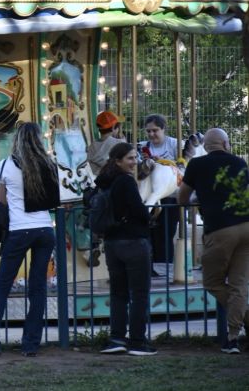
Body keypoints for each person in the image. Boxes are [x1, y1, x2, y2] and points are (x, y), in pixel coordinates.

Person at [0, 122, 60, 358]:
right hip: (44, 230)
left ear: (16, 140)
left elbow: (3, 202)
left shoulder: (7, 165)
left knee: (2, 288)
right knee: (38, 288)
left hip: (19, 230)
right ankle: (31, 344)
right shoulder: (48, 164)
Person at [177, 128, 249, 354]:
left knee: (212, 282)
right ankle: (232, 337)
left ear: (206, 146)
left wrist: (197, 199)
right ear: (226, 144)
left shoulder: (196, 165)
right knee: (239, 285)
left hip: (219, 229)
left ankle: (234, 336)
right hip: (246, 226)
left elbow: (182, 197)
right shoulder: (240, 163)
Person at [96, 142, 157, 356]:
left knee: (118, 293)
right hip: (133, 240)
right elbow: (138, 209)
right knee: (139, 293)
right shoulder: (125, 181)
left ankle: (117, 338)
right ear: (118, 160)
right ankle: (138, 341)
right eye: (130, 158)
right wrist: (149, 218)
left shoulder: (104, 182)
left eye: (135, 158)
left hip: (112, 242)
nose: (135, 162)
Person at [141, 114, 181, 267]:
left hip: (170, 195)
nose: (151, 134)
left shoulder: (174, 144)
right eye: (148, 131)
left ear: (163, 129)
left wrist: (163, 164)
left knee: (165, 234)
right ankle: (152, 266)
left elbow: (181, 166)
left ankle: (165, 266)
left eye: (155, 130)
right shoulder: (144, 146)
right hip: (151, 194)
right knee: (150, 234)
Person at [86, 110, 125, 176]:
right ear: (113, 128)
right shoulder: (119, 144)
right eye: (118, 127)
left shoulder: (92, 147)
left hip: (97, 182)